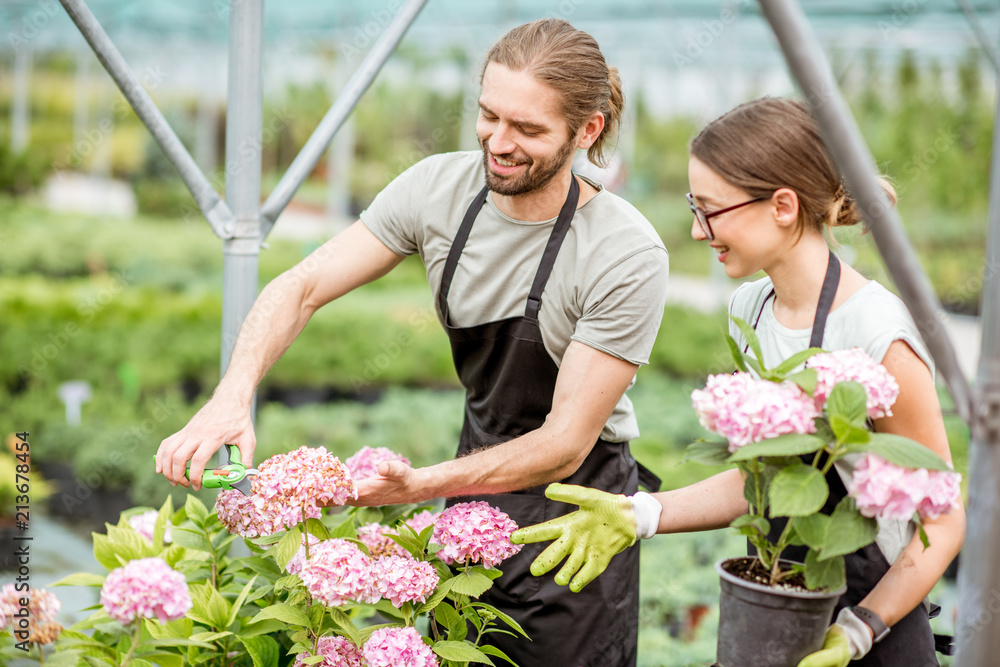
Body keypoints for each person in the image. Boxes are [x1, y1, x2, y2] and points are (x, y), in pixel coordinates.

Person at [155, 18, 669, 667]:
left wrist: (417, 485)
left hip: (575, 512)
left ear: (587, 130)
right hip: (476, 473)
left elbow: (563, 441)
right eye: (489, 115)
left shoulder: (624, 252)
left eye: (528, 129)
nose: (499, 143)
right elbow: (302, 285)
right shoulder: (438, 192)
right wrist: (233, 393)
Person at [511, 97, 966, 666]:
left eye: (711, 210)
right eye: (693, 207)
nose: (699, 232)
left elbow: (943, 521)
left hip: (873, 628)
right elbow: (769, 478)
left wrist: (859, 631)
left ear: (781, 205)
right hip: (771, 607)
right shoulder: (751, 308)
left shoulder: (875, 331)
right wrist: (641, 513)